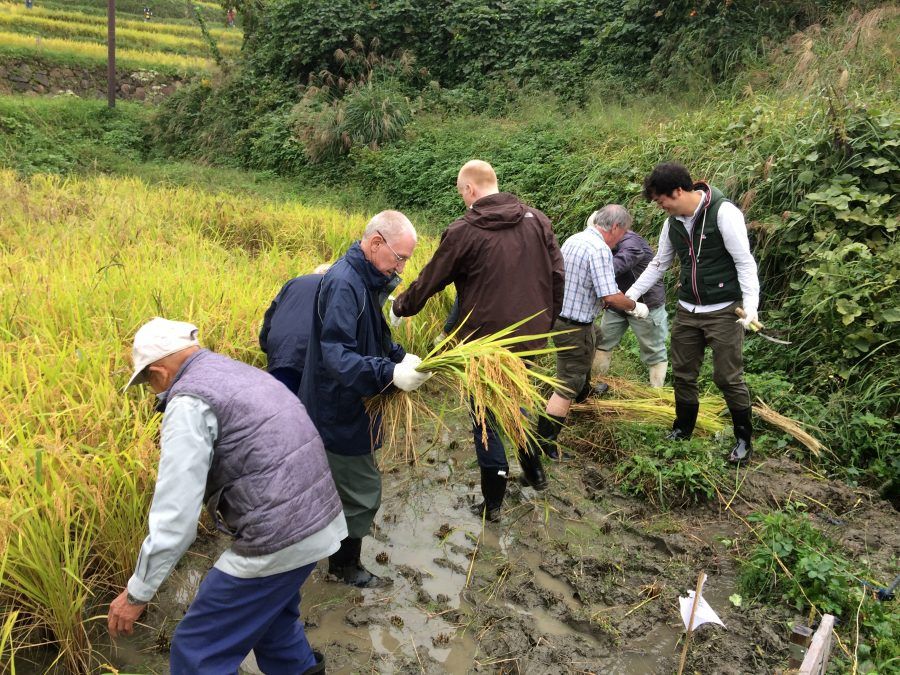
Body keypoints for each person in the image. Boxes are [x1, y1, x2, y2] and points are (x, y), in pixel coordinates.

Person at [108, 318, 345, 674]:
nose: (152, 392)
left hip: (277, 535)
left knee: (197, 650)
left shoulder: (188, 403)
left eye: (148, 383)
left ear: (158, 372)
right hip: (321, 517)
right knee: (275, 628)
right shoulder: (234, 372)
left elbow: (176, 518)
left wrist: (137, 593)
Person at [391, 159, 565, 522]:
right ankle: (535, 473)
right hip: (530, 338)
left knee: (486, 418)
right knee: (514, 401)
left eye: (461, 193)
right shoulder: (537, 221)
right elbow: (557, 276)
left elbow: (432, 278)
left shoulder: (464, 230)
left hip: (484, 344)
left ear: (469, 189)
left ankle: (494, 503)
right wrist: (544, 326)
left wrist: (401, 306)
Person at [300, 211, 430, 587]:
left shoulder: (365, 280)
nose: (402, 267)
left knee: (335, 487)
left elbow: (374, 336)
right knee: (362, 492)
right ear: (375, 243)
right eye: (400, 257)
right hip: (338, 407)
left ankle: (324, 552)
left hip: (351, 403)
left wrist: (400, 357)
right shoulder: (345, 284)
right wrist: (389, 374)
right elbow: (338, 356)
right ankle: (344, 568)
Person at [626, 161, 760, 464]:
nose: (661, 207)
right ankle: (682, 429)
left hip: (724, 310)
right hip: (688, 309)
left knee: (728, 377)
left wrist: (751, 306)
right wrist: (631, 295)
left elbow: (744, 262)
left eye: (661, 200)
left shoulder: (724, 213)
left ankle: (743, 439)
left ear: (678, 191)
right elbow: (659, 263)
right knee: (683, 373)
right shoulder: (671, 223)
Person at [534, 205, 649, 462]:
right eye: (624, 232)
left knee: (594, 337)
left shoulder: (575, 239)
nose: (622, 238)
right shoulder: (599, 249)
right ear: (616, 227)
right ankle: (545, 444)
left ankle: (584, 392)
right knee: (567, 383)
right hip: (573, 325)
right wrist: (634, 306)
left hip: (561, 317)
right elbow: (610, 296)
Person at [589, 208, 668, 389]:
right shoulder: (606, 243)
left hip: (646, 305)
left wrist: (594, 267)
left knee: (654, 351)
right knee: (603, 342)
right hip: (617, 303)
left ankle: (657, 394)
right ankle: (595, 385)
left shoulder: (631, 243)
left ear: (612, 228)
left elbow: (617, 264)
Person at [259, 263, 330, 395]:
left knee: (280, 401)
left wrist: (267, 347)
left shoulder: (292, 284)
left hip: (281, 350)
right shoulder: (336, 286)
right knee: (310, 403)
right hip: (314, 353)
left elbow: (269, 320)